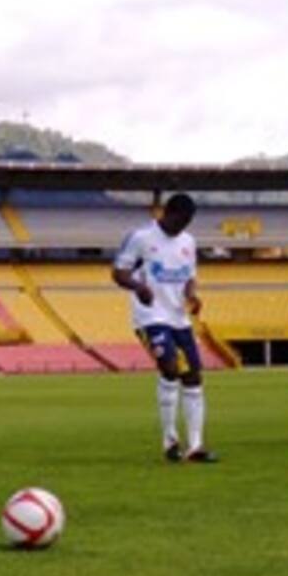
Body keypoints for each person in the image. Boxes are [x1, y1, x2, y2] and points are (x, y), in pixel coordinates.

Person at [112, 192, 218, 463]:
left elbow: (190, 277)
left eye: (189, 222)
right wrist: (138, 287)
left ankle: (195, 446)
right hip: (150, 316)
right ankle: (170, 440)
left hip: (179, 317)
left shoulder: (188, 242)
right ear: (167, 213)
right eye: (181, 220)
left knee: (193, 377)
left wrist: (192, 296)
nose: (184, 226)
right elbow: (118, 272)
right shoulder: (141, 238)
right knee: (170, 367)